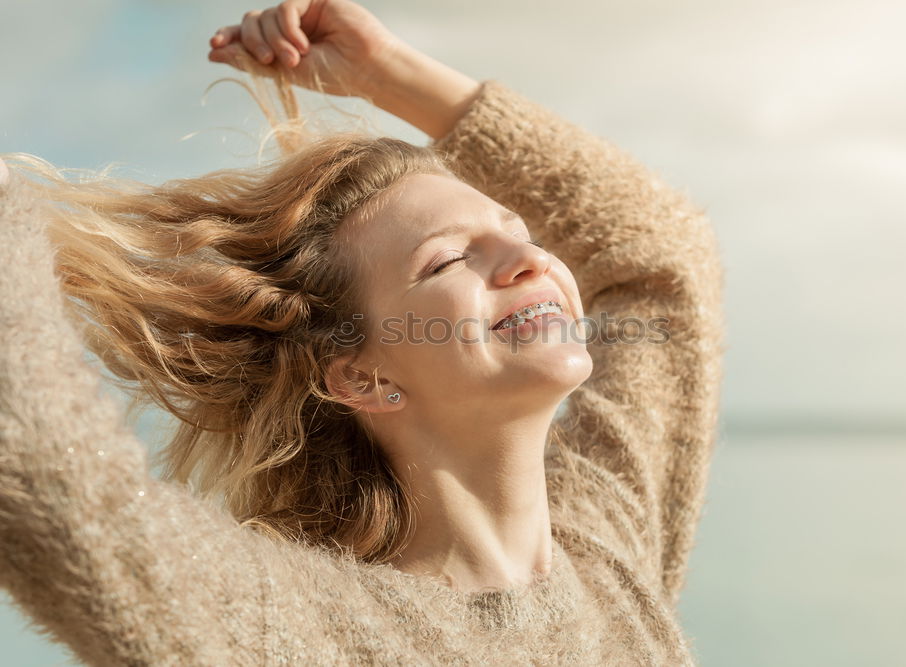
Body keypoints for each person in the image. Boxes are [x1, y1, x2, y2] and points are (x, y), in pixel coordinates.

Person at [0, 0, 725, 663]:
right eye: (447, 258)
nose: (528, 260)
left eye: (518, 231)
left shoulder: (608, 543)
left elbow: (662, 256)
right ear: (360, 374)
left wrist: (389, 75)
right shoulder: (303, 626)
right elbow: (56, 490)